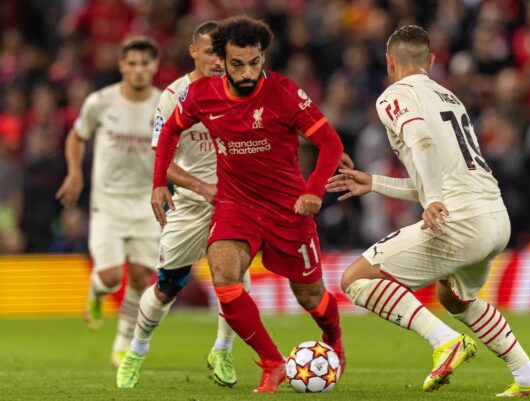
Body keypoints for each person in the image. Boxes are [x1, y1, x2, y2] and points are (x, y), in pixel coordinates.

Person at [326, 26, 530, 397]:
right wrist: (376, 182)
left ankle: (445, 342)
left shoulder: (394, 95)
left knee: (356, 279)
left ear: (389, 62)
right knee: (454, 297)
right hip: (495, 216)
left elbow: (422, 142)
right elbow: (440, 174)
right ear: (431, 62)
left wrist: (432, 198)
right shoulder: (450, 98)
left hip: (460, 219)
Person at [150, 17, 346, 394]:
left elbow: (331, 143)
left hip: (288, 209)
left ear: (263, 57)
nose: (247, 72)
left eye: (254, 62)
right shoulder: (202, 95)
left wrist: (314, 191)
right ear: (222, 60)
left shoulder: (285, 93)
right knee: (224, 275)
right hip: (235, 204)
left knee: (310, 296)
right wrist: (159, 182)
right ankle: (273, 363)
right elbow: (172, 129)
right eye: (237, 64)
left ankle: (335, 342)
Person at [116, 21, 251, 389]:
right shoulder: (174, 95)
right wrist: (200, 186)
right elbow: (162, 156)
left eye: (222, 54)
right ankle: (137, 349)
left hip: (236, 201)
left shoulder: (244, 86)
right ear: (193, 51)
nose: (217, 61)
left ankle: (222, 349)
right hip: (191, 203)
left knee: (234, 278)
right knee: (168, 286)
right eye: (210, 52)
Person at [56, 36, 161, 367]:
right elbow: (77, 135)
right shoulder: (100, 101)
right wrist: (75, 173)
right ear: (121, 66)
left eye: (145, 63)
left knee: (143, 275)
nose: (139, 70)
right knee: (113, 276)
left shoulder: (165, 103)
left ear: (154, 67)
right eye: (132, 63)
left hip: (146, 203)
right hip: (108, 202)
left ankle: (123, 339)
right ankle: (96, 292)